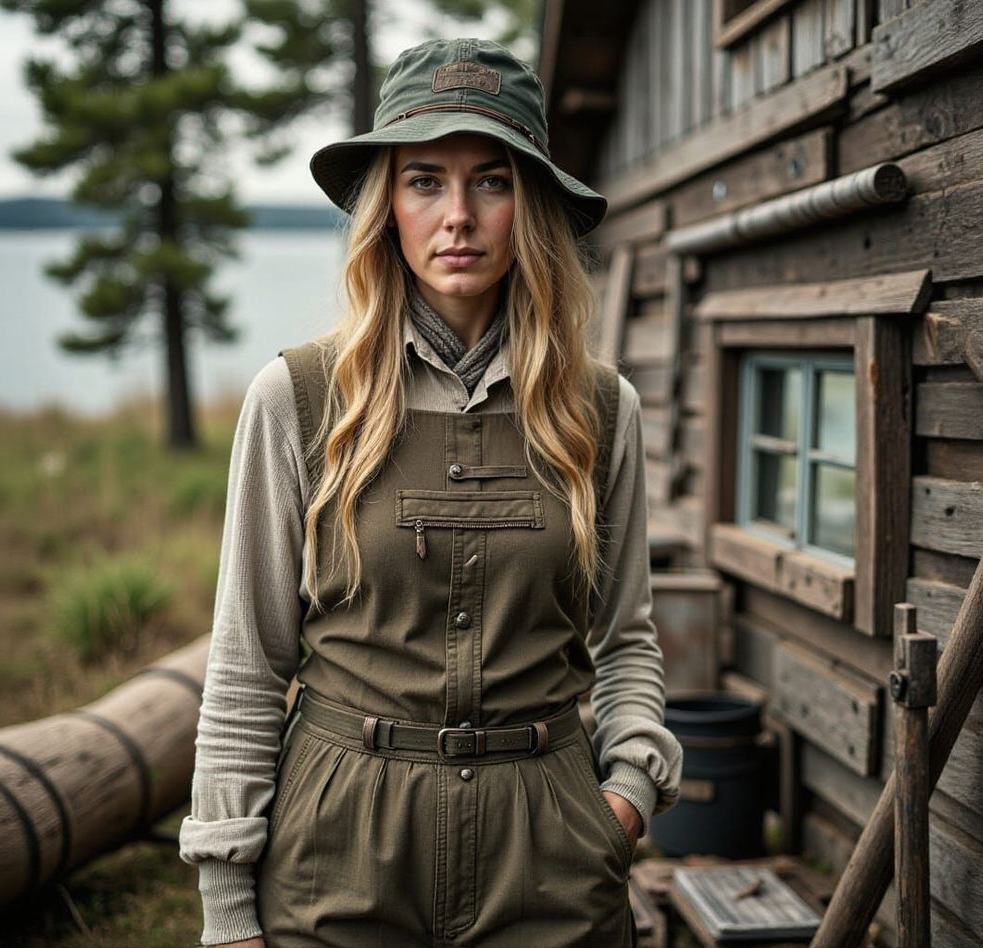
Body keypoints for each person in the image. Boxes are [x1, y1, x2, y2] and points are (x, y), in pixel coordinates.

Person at [178, 37, 682, 948]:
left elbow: (627, 635)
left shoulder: (602, 409)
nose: (459, 216)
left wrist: (624, 799)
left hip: (551, 852)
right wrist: (226, 901)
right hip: (339, 851)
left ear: (528, 205)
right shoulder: (295, 399)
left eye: (490, 180)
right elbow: (248, 668)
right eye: (424, 182)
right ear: (388, 209)